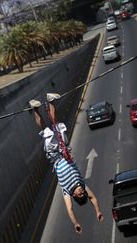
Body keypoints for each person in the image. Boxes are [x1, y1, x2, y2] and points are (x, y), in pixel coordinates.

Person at [29, 93, 103, 234]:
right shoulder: (82, 184)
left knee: (46, 131)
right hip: (64, 150)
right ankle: (50, 101)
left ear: (74, 196)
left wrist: (75, 223)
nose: (82, 192)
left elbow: (69, 209)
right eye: (83, 194)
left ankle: (35, 109)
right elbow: (93, 197)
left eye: (80, 195)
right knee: (56, 126)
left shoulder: (67, 192)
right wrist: (97, 211)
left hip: (55, 156)